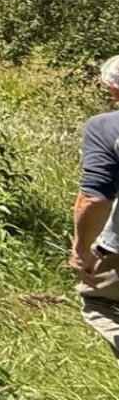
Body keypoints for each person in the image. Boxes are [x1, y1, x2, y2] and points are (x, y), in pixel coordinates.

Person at [72, 55, 119, 356]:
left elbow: (95, 198)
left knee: (98, 302)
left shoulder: (107, 128)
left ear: (114, 91)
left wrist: (81, 248)